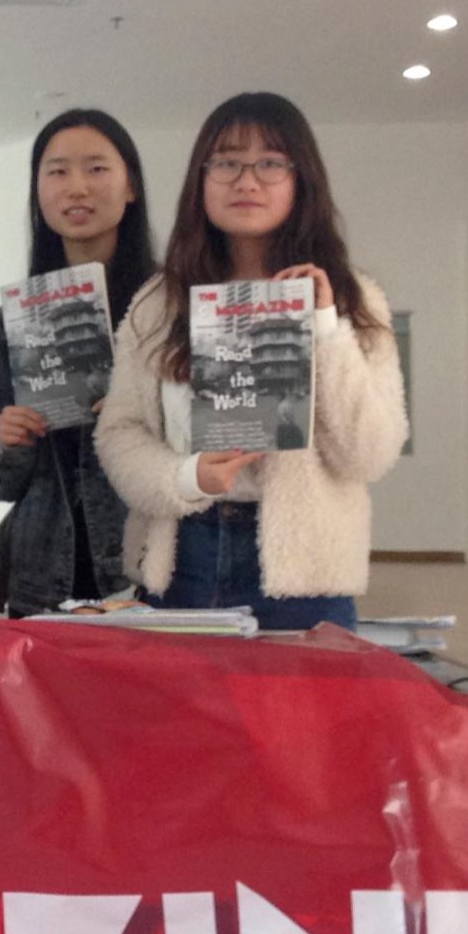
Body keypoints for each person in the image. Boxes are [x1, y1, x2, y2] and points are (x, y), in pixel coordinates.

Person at [95, 92, 407, 631]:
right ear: (201, 178)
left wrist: (324, 327)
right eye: (227, 162)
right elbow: (118, 432)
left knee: (301, 693)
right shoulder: (158, 303)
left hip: (304, 574)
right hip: (183, 557)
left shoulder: (353, 299)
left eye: (270, 162)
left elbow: (370, 454)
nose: (247, 181)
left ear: (301, 178)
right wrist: (186, 477)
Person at [0, 109, 152, 617]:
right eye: (57, 172)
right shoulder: (12, 322)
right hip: (40, 574)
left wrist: (143, 410)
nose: (76, 188)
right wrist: (7, 439)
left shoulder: (165, 308)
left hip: (146, 570)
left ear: (131, 186)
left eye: (96, 169)